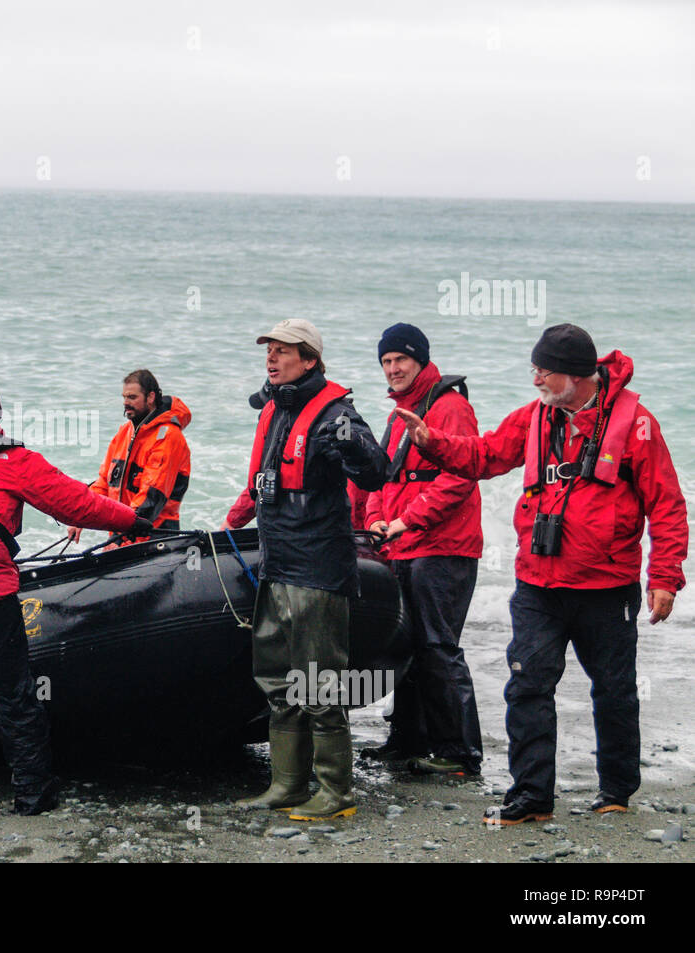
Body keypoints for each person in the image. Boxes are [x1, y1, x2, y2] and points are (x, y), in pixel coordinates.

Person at [394, 324, 687, 825]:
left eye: (543, 372)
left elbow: (667, 506)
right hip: (537, 583)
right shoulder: (533, 419)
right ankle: (531, 798)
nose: (535, 381)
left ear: (576, 375)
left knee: (613, 690)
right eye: (534, 370)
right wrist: (432, 442)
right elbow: (484, 455)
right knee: (526, 685)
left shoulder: (637, 425)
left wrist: (665, 576)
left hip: (607, 586)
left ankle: (616, 789)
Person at [0, 372, 148, 815]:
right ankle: (32, 794)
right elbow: (76, 504)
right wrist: (134, 521)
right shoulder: (13, 459)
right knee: (15, 696)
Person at [222, 319, 388, 821]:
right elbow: (265, 481)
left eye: (283, 351)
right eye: (269, 351)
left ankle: (336, 793)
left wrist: (352, 446)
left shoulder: (337, 413)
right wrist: (234, 516)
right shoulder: (275, 409)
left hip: (318, 569)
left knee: (318, 685)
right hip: (276, 565)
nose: (271, 359)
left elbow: (376, 471)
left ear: (310, 359)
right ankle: (287, 784)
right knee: (276, 680)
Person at [361, 323, 484, 777]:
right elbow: (383, 476)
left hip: (445, 548)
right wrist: (374, 518)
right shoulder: (398, 416)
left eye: (401, 361)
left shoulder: (450, 407)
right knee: (406, 644)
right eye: (386, 362)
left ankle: (460, 753)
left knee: (438, 646)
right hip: (401, 545)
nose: (393, 369)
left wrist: (407, 520)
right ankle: (407, 740)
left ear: (421, 361)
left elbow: (460, 477)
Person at [66, 369, 191, 545]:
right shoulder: (125, 432)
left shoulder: (168, 436)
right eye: (124, 397)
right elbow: (104, 483)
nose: (126, 403)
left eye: (132, 397)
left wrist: (119, 539)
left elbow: (152, 498)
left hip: (155, 538)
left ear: (151, 397)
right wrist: (81, 517)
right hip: (123, 533)